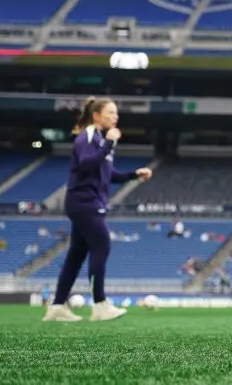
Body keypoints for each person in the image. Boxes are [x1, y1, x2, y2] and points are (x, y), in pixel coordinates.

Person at [43, 97, 152, 322]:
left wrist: (133, 175)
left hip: (87, 202)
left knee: (76, 255)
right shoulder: (90, 135)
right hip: (85, 202)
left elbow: (107, 174)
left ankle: (56, 307)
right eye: (111, 113)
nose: (116, 117)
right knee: (102, 244)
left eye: (116, 113)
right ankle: (100, 303)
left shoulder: (102, 139)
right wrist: (108, 144)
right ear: (97, 116)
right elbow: (86, 164)